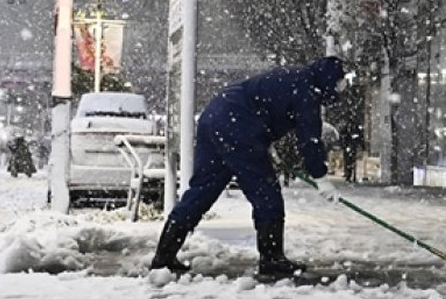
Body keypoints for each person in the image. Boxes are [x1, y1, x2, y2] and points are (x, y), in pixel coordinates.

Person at [149, 56, 347, 277]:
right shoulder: (307, 91)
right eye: (339, 83)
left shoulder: (296, 77)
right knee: (266, 192)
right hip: (237, 125)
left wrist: (265, 143)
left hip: (215, 116)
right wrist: (321, 178)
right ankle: (272, 259)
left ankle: (163, 256)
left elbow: (268, 108)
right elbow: (309, 139)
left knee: (203, 189)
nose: (340, 90)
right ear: (329, 80)